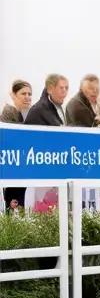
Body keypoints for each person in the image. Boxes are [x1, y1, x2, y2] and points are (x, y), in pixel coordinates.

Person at [2, 79, 32, 210]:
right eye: (23, 93)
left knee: (18, 208)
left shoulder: (21, 114)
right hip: (12, 171)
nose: (27, 97)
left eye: (29, 94)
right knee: (14, 208)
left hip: (19, 170)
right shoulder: (9, 113)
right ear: (14, 95)